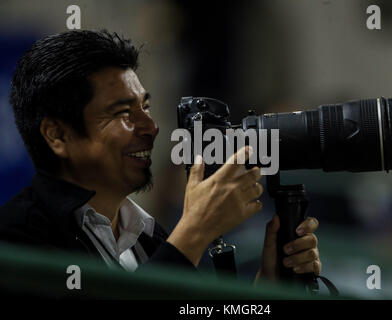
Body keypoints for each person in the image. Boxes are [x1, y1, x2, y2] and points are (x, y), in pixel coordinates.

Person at [0, 30, 321, 282]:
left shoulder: (146, 235)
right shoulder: (16, 240)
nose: (151, 127)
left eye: (146, 107)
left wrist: (267, 284)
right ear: (58, 135)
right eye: (123, 113)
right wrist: (195, 230)